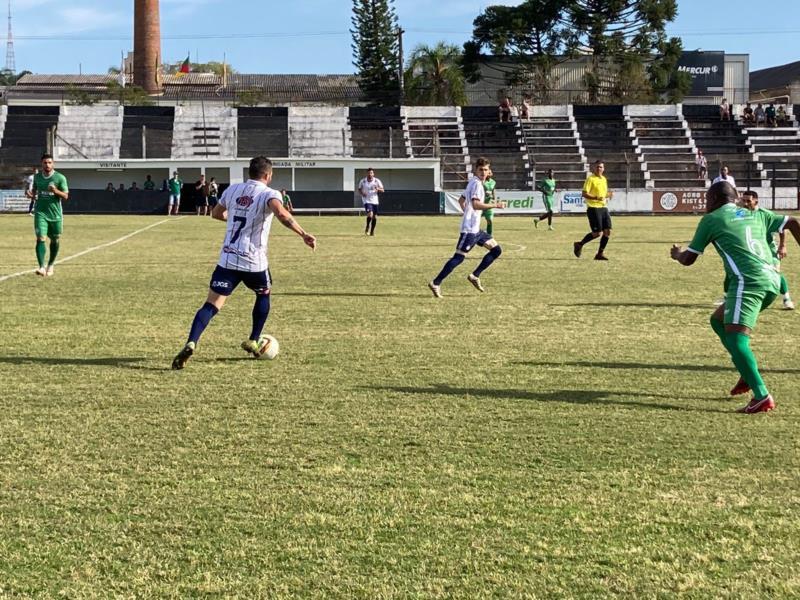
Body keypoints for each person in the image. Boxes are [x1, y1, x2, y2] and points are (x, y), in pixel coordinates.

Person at [172, 156, 317, 370]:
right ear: (268, 175)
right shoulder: (269, 193)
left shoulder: (233, 190)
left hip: (228, 259)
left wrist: (233, 218)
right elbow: (282, 214)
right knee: (263, 293)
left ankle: (191, 342)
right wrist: (303, 233)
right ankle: (254, 338)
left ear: (249, 172)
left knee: (211, 305)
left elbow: (216, 213)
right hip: (253, 262)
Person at [670, 181, 800, 413]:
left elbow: (689, 259)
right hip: (772, 281)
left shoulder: (712, 219)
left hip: (747, 282)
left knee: (737, 338)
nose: (706, 204)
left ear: (715, 199)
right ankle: (745, 372)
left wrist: (677, 254)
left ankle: (761, 395)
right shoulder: (755, 213)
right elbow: (791, 221)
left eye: (708, 200)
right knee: (718, 320)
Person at [428, 157, 505, 298]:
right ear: (476, 170)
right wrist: (496, 205)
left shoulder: (474, 182)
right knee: (459, 257)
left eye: (485, 170)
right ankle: (436, 282)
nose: (483, 172)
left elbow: (461, 200)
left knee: (496, 250)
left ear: (489, 171)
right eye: (481, 169)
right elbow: (476, 204)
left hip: (476, 229)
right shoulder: (477, 185)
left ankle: (475, 275)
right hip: (470, 230)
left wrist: (467, 213)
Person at [741, 191, 794, 310]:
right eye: (743, 200)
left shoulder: (766, 214)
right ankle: (727, 297)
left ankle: (787, 299)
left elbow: (783, 227)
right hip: (751, 249)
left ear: (756, 201)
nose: (745, 203)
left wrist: (782, 245)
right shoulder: (741, 214)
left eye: (748, 201)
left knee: (774, 272)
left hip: (769, 250)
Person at [27, 153, 69, 277]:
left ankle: (51, 265)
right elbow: (34, 192)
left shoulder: (60, 178)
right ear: (42, 164)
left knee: (55, 239)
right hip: (40, 212)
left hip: (55, 214)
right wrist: (31, 195)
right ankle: (41, 267)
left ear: (53, 164)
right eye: (45, 162)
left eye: (50, 162)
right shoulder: (37, 177)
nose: (47, 165)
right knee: (40, 238)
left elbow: (66, 196)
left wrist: (55, 191)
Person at [573, 160, 614, 260]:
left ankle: (599, 254)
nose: (599, 169)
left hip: (603, 207)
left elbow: (603, 194)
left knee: (607, 232)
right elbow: (584, 193)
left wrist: (609, 194)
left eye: (601, 167)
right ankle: (579, 244)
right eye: (597, 167)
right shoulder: (590, 179)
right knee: (597, 233)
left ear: (603, 169)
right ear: (594, 168)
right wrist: (596, 198)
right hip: (593, 208)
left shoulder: (604, 179)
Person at [358, 168, 384, 236]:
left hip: (375, 200)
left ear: (373, 174)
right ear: (367, 173)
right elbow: (359, 189)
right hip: (366, 200)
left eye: (371, 173)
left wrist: (377, 189)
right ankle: (367, 226)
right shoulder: (363, 181)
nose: (370, 174)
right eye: (369, 173)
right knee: (370, 214)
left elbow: (382, 190)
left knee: (374, 217)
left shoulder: (377, 181)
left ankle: (372, 232)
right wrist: (362, 193)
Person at [482, 168, 497, 236]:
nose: (490, 174)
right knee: (475, 221)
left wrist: (494, 198)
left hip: (489, 204)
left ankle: (489, 235)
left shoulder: (493, 182)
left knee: (490, 220)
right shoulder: (481, 181)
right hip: (480, 205)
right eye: (489, 172)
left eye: (491, 172)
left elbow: (493, 190)